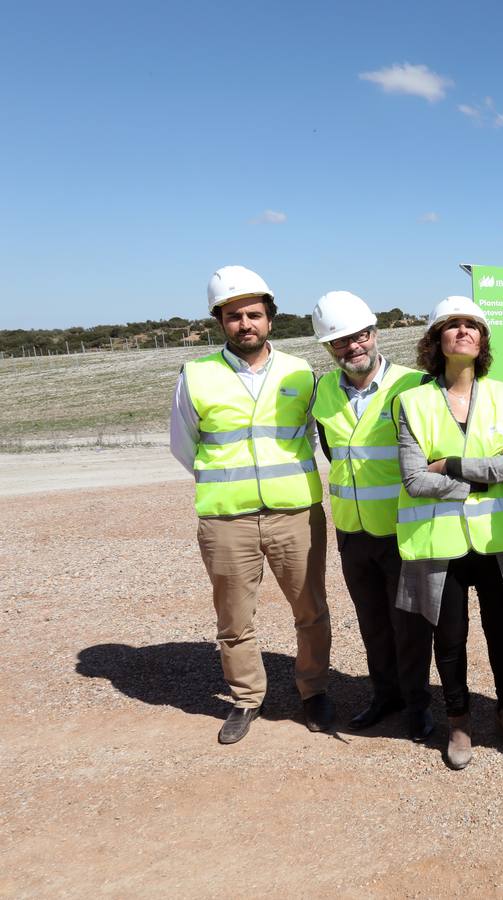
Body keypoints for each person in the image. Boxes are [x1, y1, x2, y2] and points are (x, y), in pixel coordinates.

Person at [169, 265, 333, 744]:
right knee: (234, 619)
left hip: (295, 513)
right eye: (234, 315)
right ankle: (246, 699)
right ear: (220, 321)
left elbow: (309, 433)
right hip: (226, 519)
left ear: (271, 318)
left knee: (311, 609)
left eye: (254, 314)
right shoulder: (195, 376)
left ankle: (315, 690)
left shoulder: (301, 372)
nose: (246, 324)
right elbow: (185, 445)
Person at [393, 295, 503, 768]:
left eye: (471, 325)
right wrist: (482, 477)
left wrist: (452, 466)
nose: (463, 331)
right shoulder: (411, 403)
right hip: (441, 543)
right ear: (436, 339)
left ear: (483, 339)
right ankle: (459, 722)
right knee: (450, 637)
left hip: (496, 539)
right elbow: (415, 480)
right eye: (452, 325)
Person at [310, 291, 427, 731]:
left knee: (410, 626)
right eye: (340, 341)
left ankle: (418, 707)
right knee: (372, 622)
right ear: (328, 348)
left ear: (374, 334)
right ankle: (386, 696)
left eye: (359, 336)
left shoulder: (413, 385)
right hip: (351, 530)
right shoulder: (322, 391)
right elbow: (332, 449)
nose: (353, 346)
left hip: (403, 529)